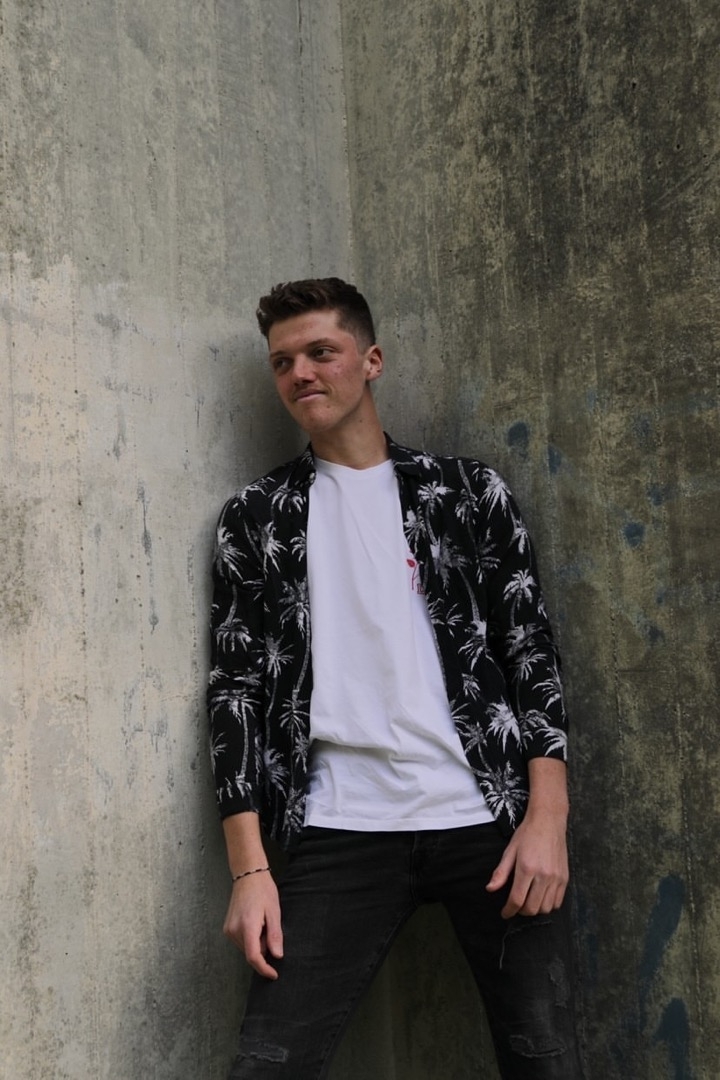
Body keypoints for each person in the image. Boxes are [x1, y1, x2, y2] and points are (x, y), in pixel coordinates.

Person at [207, 278, 582, 1079]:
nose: (301, 373)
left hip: (488, 820)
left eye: (321, 351)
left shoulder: (467, 493)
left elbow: (531, 653)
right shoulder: (258, 517)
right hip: (338, 825)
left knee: (546, 1060)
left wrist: (547, 818)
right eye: (282, 362)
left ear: (371, 360)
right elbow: (234, 692)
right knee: (265, 1066)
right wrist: (250, 870)